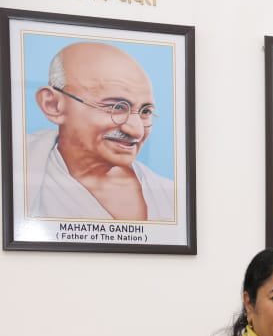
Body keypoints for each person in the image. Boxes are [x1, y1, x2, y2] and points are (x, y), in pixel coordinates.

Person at [27, 42, 175, 221]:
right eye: (116, 107)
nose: (137, 131)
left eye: (145, 112)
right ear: (53, 105)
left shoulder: (168, 197)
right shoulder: (21, 166)